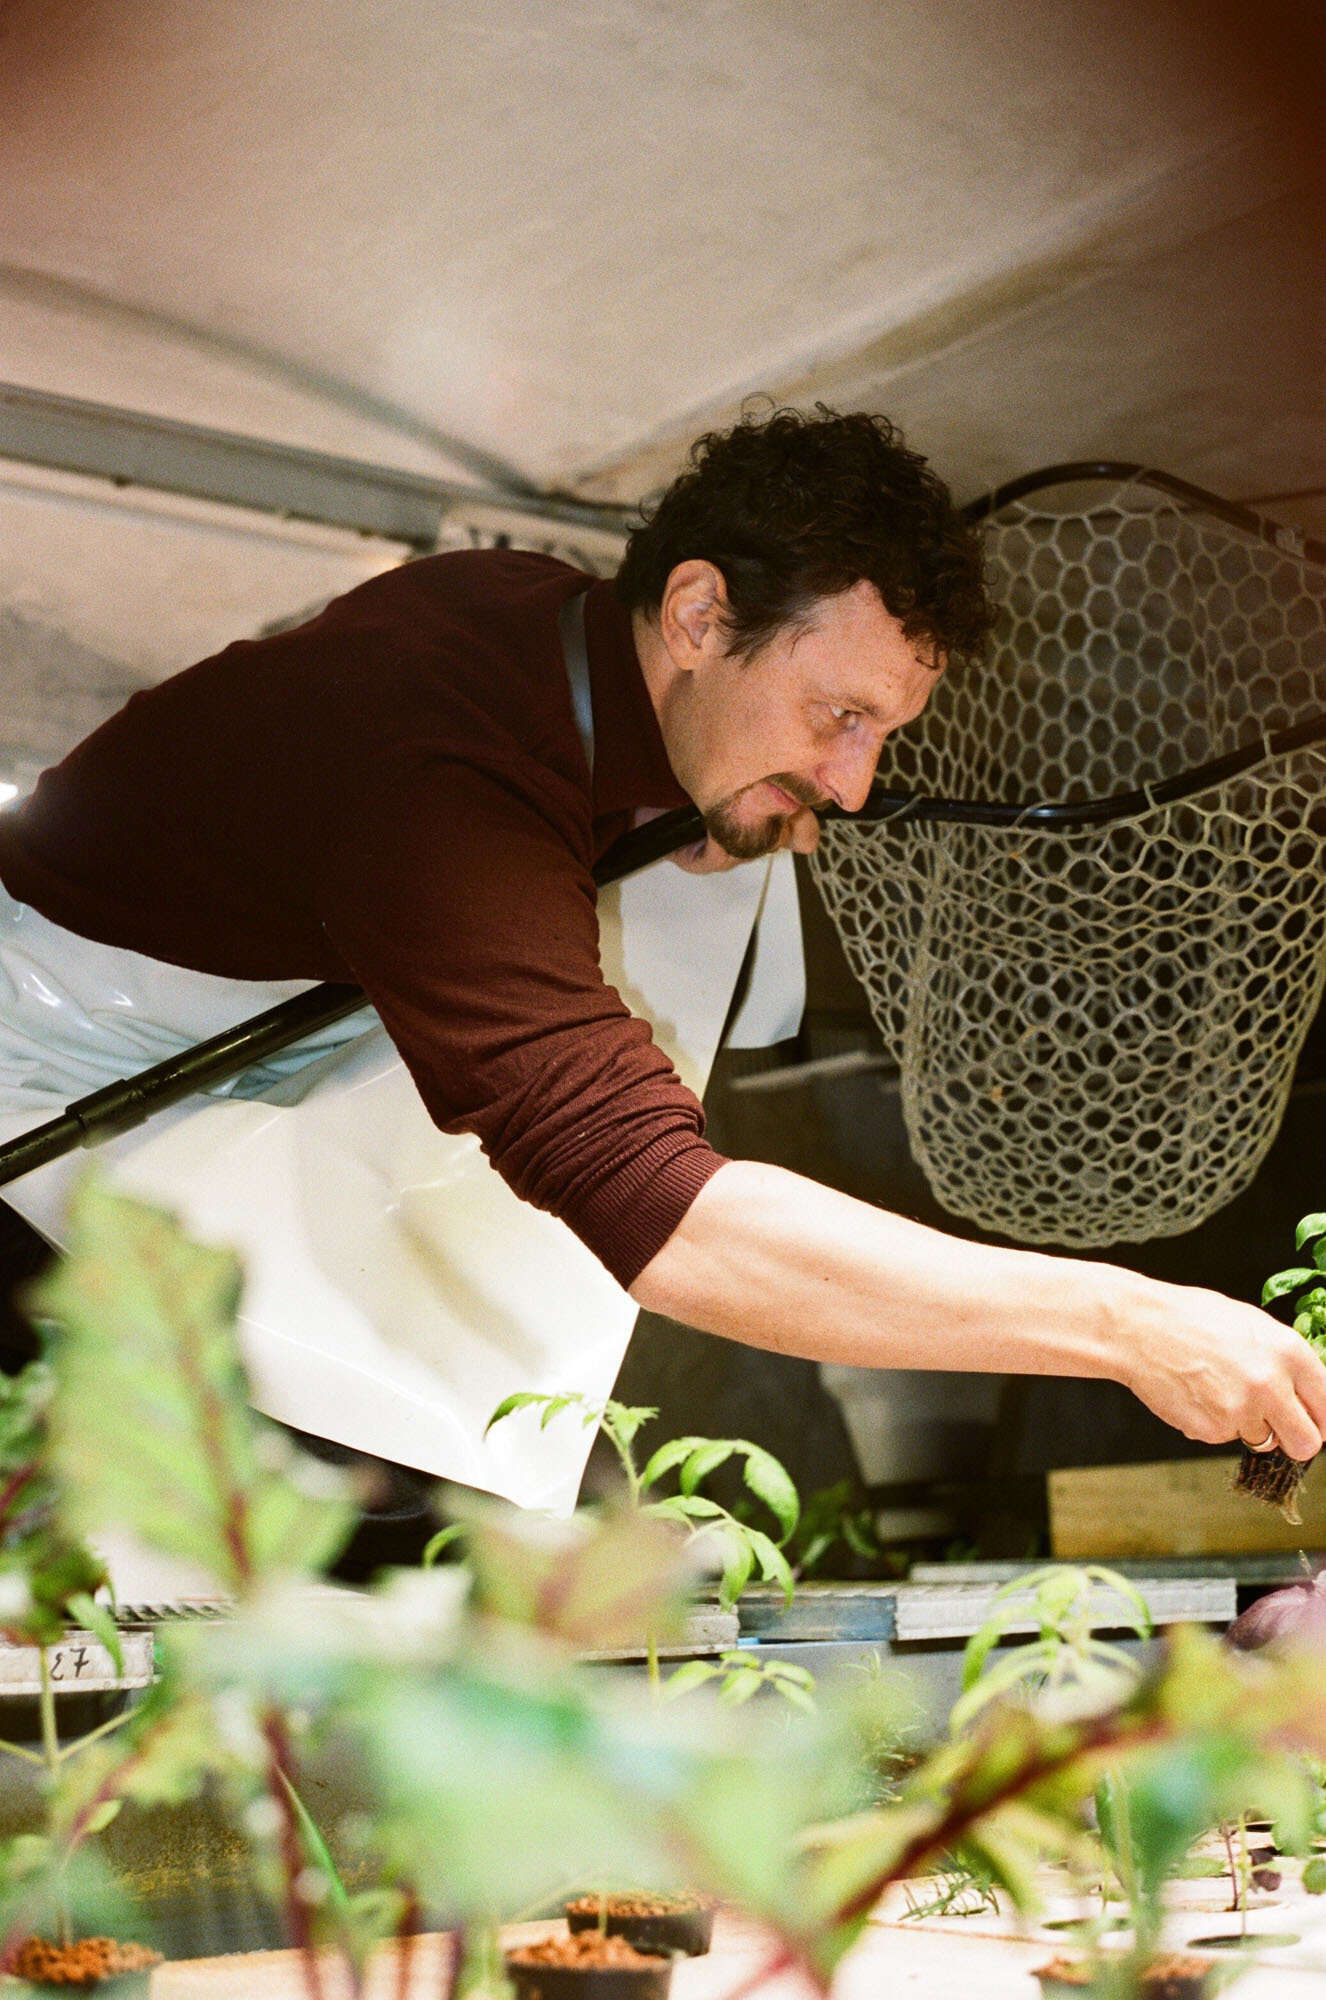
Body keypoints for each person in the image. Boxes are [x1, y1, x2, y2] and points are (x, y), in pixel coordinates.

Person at [0, 405, 1321, 1473]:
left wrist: (707, 809)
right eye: (834, 713)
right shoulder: (443, 775)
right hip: (38, 1063)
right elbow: (669, 1224)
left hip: (211, 1032)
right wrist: (1125, 1319)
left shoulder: (538, 622)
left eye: (880, 735)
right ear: (696, 615)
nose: (852, 785)